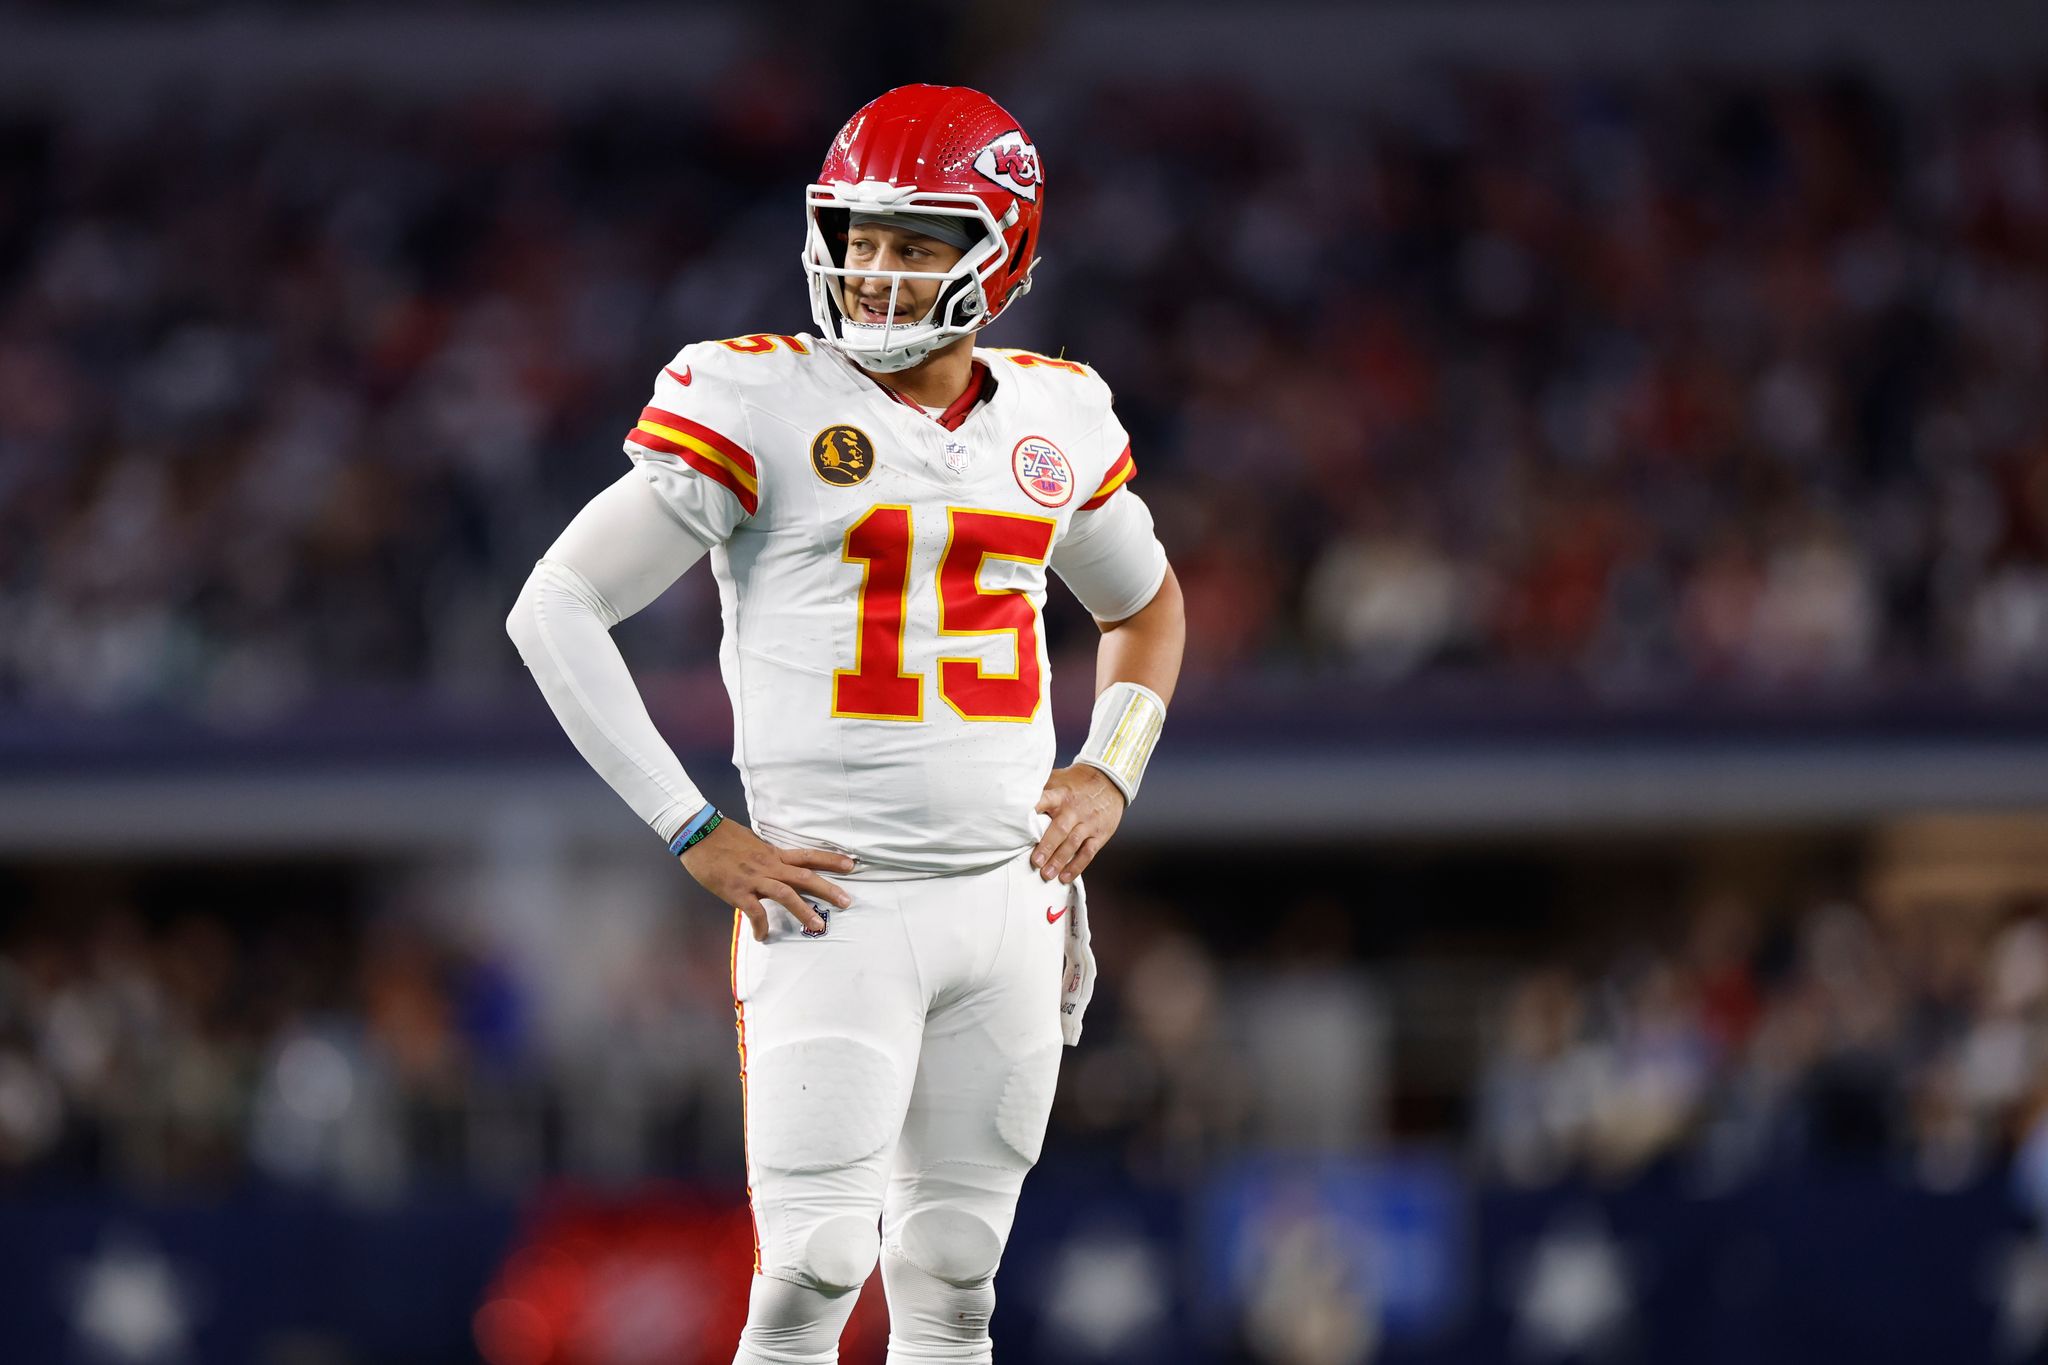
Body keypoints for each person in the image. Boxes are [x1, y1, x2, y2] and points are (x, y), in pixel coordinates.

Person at [506, 84, 1184, 1364]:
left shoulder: (1054, 413)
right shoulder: (756, 397)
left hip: (1010, 898)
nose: (873, 270)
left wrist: (1110, 767)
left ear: (1002, 251)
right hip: (834, 902)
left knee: (956, 1274)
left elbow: (1143, 606)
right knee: (811, 1271)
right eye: (858, 236)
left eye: (914, 243)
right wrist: (692, 827)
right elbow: (555, 606)